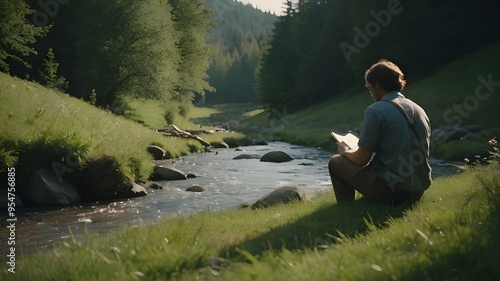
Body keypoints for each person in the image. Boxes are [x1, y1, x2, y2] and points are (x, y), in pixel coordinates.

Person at [328, 59, 432, 205]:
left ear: (377, 85)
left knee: (335, 162)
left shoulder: (375, 110)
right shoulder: (419, 109)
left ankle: (347, 207)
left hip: (394, 192)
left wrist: (344, 151)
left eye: (369, 87)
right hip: (418, 191)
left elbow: (361, 159)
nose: (370, 92)